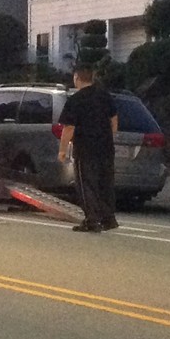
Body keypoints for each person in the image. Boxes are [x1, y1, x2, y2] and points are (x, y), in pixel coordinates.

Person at [57, 65, 119, 232]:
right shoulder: (104, 96)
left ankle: (91, 220)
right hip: (106, 147)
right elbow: (114, 120)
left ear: (77, 78)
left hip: (86, 147)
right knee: (105, 182)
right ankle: (109, 218)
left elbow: (69, 127)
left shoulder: (75, 100)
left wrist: (62, 150)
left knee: (86, 183)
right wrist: (107, 136)